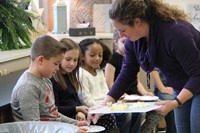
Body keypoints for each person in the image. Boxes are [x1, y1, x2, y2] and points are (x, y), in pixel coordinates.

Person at [88, 0, 200, 133]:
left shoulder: (176, 33)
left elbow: (197, 74)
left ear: (137, 22)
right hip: (181, 87)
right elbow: (127, 74)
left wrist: (176, 102)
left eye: (122, 30)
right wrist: (103, 105)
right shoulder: (133, 42)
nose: (121, 36)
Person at [10, 35, 88, 133]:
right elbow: (35, 128)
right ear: (41, 60)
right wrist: (70, 130)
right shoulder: (27, 87)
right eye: (56, 63)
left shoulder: (46, 79)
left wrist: (75, 123)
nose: (58, 68)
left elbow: (53, 114)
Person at [105, 30, 162, 133]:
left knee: (158, 105)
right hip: (122, 98)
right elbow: (110, 84)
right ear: (115, 43)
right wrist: (126, 96)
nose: (127, 45)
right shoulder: (113, 60)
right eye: (123, 42)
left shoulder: (132, 58)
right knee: (137, 113)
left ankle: (143, 130)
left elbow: (137, 81)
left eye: (128, 42)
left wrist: (145, 93)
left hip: (135, 96)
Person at [78, 38, 130, 133]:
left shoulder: (99, 71)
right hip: (94, 108)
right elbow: (85, 99)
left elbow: (106, 92)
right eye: (92, 55)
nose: (97, 58)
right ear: (82, 56)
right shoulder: (81, 74)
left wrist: (113, 102)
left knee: (130, 112)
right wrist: (103, 108)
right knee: (124, 115)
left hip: (105, 106)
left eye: (100, 55)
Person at [51, 38, 89, 121]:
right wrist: (77, 109)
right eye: (68, 59)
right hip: (65, 119)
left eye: (75, 60)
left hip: (77, 115)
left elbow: (76, 100)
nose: (72, 64)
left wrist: (80, 111)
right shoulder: (53, 80)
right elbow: (55, 109)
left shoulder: (71, 76)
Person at [151, 69, 177, 133]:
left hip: (185, 86)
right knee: (171, 101)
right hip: (165, 86)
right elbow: (153, 69)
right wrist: (162, 88)